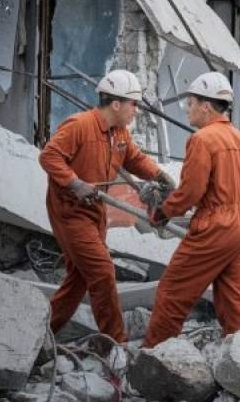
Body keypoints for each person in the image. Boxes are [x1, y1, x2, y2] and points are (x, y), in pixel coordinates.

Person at [39, 70, 172, 343]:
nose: (136, 110)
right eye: (133, 104)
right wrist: (75, 183)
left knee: (78, 279)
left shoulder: (119, 133)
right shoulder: (79, 125)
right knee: (102, 271)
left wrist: (159, 175)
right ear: (115, 104)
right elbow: (49, 156)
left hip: (95, 213)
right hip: (70, 212)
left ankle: (41, 334)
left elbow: (134, 159)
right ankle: (115, 344)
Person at [142, 72, 240, 347]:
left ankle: (155, 355)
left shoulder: (202, 139)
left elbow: (191, 192)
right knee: (234, 300)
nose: (187, 110)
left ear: (206, 105)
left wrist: (162, 211)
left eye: (190, 103)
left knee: (172, 292)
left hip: (216, 227)